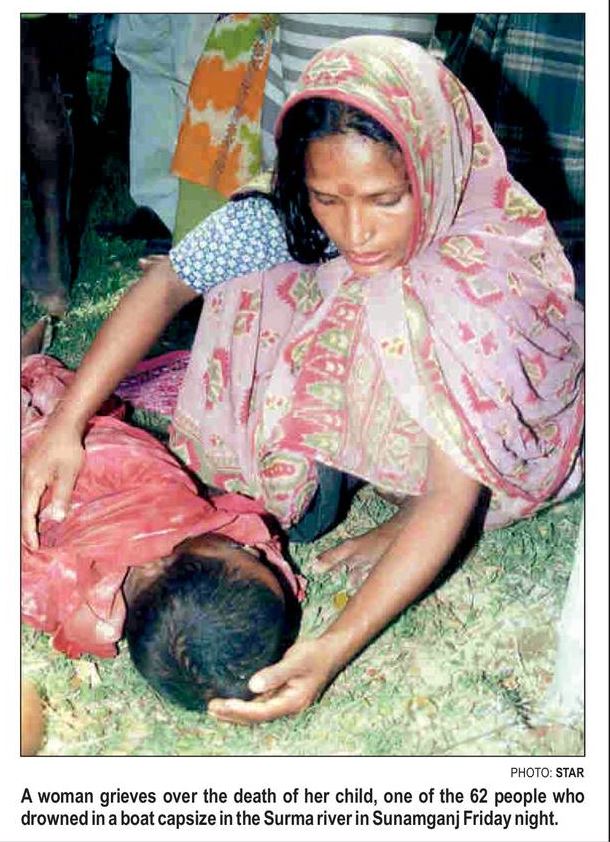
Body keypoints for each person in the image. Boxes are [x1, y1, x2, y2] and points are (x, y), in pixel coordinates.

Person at [21, 36, 584, 723]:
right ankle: (316, 459)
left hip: (474, 454)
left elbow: (452, 491)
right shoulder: (290, 217)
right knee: (249, 272)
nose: (357, 230)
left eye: (385, 199)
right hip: (366, 398)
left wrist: (333, 647)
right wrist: (65, 426)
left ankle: (382, 489)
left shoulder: (481, 276)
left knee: (389, 301)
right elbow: (168, 285)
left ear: (434, 167)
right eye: (327, 197)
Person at [21, 354, 303, 709]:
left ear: (159, 561)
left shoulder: (162, 492)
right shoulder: (69, 602)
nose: (254, 549)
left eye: (239, 549)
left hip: (55, 446)